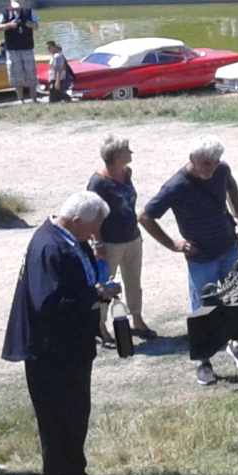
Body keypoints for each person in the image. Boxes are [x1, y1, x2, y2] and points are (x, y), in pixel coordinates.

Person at [3, 190, 119, 475]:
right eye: (94, 226)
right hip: (51, 351)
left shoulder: (73, 241)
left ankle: (75, 473)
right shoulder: (49, 247)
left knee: (76, 411)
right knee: (57, 416)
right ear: (77, 220)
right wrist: (94, 294)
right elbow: (47, 304)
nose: (97, 233)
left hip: (73, 345)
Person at [138, 137, 238, 387]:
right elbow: (145, 216)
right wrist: (173, 244)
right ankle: (203, 361)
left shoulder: (221, 170)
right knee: (203, 308)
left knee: (237, 298)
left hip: (229, 246)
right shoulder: (176, 185)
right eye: (206, 164)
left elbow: (231, 185)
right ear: (193, 160)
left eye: (214, 163)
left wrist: (237, 215)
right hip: (201, 257)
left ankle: (237, 344)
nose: (211, 168)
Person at [88, 136, 154, 344]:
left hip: (132, 237)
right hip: (109, 242)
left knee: (134, 281)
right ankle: (100, 327)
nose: (131, 153)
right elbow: (92, 212)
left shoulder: (126, 173)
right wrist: (98, 243)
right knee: (106, 287)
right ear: (117, 156)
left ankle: (137, 319)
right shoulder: (98, 181)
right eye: (127, 150)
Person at [0, 0, 39, 104]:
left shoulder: (29, 11)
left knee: (31, 73)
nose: (17, 9)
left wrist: (29, 25)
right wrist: (8, 25)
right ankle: (20, 99)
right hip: (12, 48)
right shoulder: (5, 12)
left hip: (27, 47)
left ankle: (34, 98)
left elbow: (37, 26)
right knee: (16, 74)